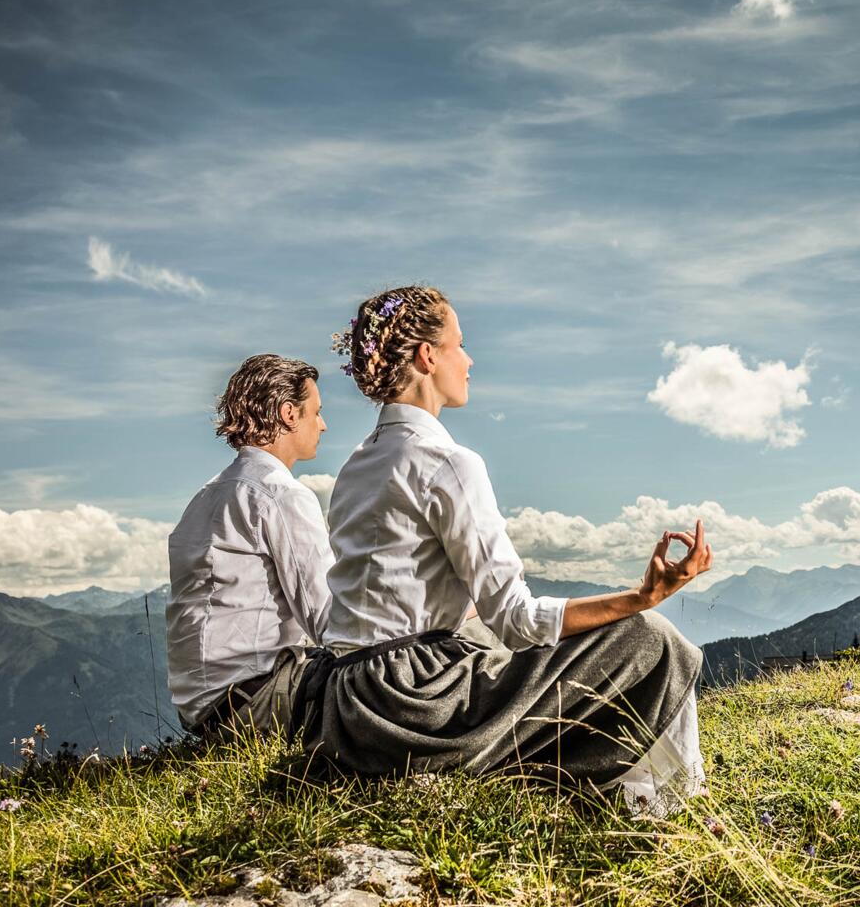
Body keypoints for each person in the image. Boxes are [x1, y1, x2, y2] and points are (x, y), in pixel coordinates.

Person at [297, 286, 712, 813]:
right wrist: (641, 596)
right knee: (651, 639)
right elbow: (515, 619)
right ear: (428, 356)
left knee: (480, 639)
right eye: (459, 345)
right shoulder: (447, 462)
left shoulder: (358, 463)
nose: (468, 361)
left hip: (348, 704)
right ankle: (668, 804)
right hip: (411, 704)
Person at [166, 353, 333, 736]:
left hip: (203, 714)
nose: (322, 425)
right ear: (289, 413)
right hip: (257, 704)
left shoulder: (205, 496)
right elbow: (328, 619)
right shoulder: (279, 494)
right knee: (390, 668)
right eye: (317, 412)